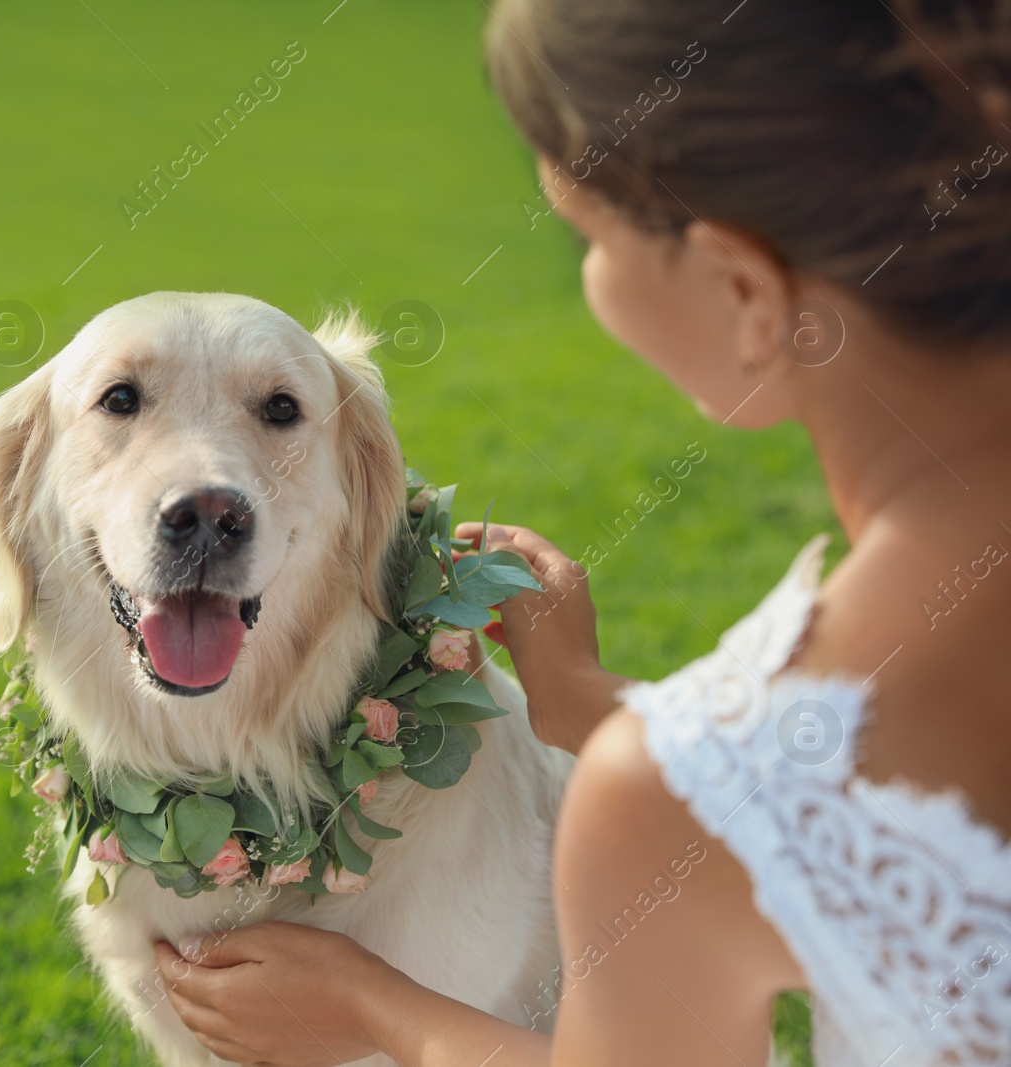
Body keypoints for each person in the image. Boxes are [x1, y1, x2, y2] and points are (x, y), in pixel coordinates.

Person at [152, 1, 1011, 1063]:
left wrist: (375, 1011)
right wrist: (589, 703)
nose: (588, 279)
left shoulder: (655, 798)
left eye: (585, 238)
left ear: (743, 291)